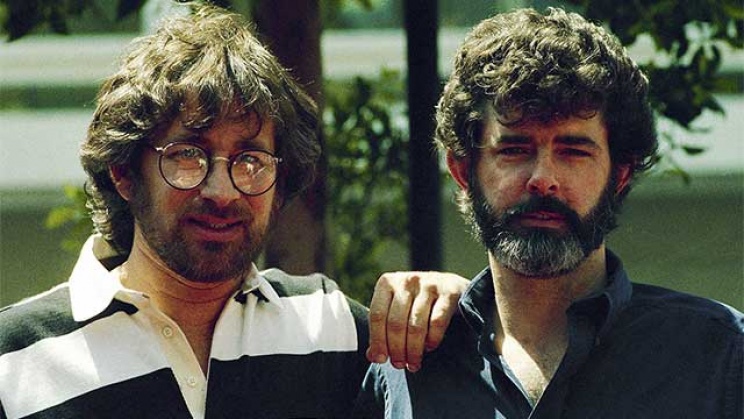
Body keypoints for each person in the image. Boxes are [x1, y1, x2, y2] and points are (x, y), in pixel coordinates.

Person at [0, 4, 468, 418]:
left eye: (250, 160)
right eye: (188, 155)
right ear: (124, 172)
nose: (222, 192)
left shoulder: (329, 325)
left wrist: (458, 308)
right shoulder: (14, 359)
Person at [359, 7, 744, 418]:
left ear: (619, 175)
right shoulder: (405, 366)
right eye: (514, 149)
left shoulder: (721, 356)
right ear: (462, 171)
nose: (543, 179)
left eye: (573, 151)